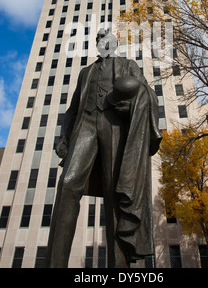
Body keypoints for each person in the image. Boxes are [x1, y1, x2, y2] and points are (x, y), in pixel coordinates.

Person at [45, 28, 162, 268]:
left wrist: (130, 106)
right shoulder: (86, 72)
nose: (103, 44)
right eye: (99, 41)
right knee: (67, 184)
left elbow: (147, 94)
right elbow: (73, 109)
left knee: (113, 193)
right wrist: (64, 137)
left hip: (114, 126)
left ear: (114, 44)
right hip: (85, 125)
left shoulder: (128, 65)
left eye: (107, 40)